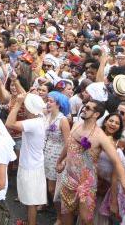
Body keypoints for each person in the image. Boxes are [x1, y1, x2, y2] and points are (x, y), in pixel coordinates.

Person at [57, 100, 125, 225]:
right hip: (68, 178)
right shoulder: (76, 125)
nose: (84, 109)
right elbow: (68, 144)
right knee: (66, 214)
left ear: (96, 114)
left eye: (88, 108)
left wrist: (124, 184)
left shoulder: (101, 136)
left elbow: (117, 162)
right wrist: (59, 161)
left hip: (86, 184)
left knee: (86, 218)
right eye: (85, 106)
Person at [6, 92, 47, 225]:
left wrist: (17, 103)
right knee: (30, 201)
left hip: (30, 168)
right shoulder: (41, 117)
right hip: (34, 165)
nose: (23, 108)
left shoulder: (33, 123)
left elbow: (9, 124)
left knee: (31, 203)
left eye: (25, 106)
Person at [43, 90, 70, 220]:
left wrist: (63, 160)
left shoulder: (62, 120)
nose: (48, 103)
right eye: (47, 100)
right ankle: (46, 206)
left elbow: (68, 142)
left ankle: (60, 217)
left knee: (53, 189)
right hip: (45, 154)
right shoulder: (47, 116)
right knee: (46, 185)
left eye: (51, 101)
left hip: (56, 157)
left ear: (58, 105)